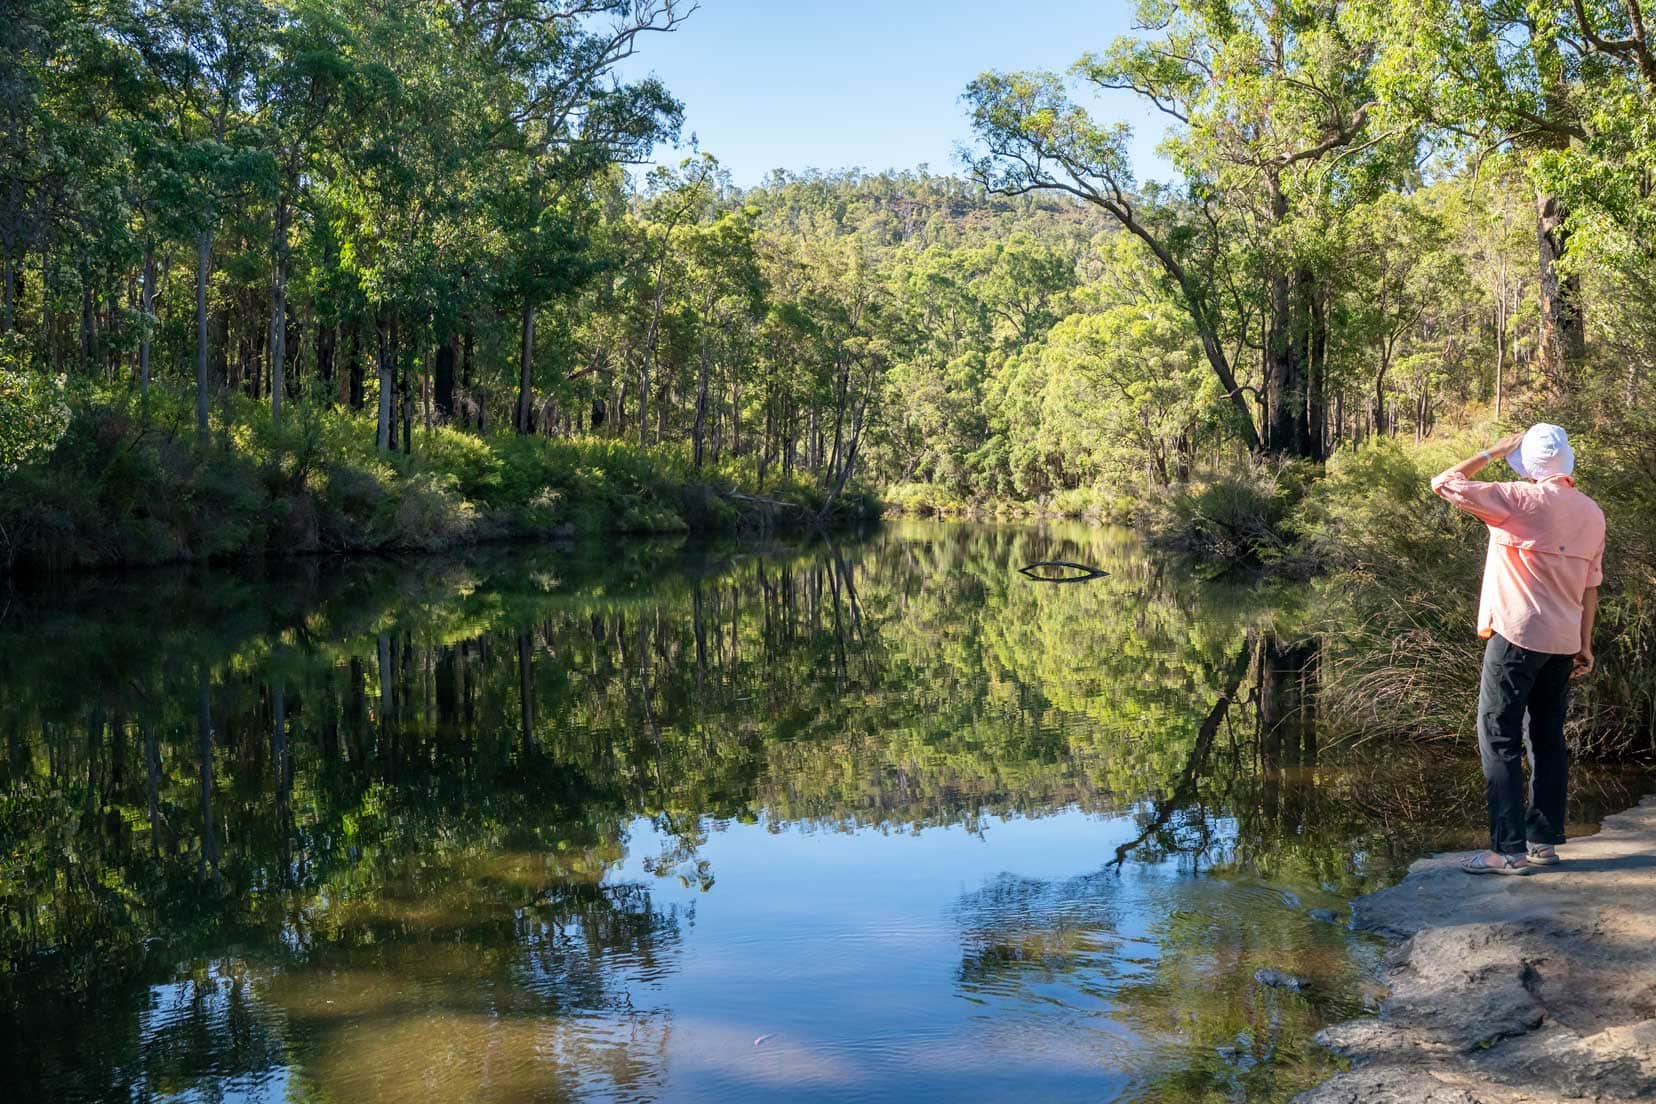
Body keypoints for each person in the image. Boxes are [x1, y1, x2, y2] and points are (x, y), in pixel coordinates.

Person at [1430, 423, 1605, 876]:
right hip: (1564, 643)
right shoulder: (1592, 512)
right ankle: (1543, 841)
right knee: (1548, 738)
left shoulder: (1519, 499)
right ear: (1566, 463)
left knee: (1499, 734)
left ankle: (1507, 851)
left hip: (1517, 635)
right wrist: (1585, 644)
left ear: (1529, 466)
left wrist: (1491, 451)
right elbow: (1590, 587)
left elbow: (1444, 482)